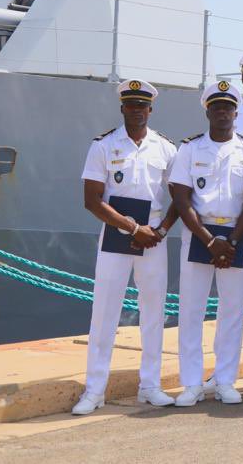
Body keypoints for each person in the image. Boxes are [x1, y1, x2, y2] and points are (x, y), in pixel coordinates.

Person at [72, 80, 179, 415]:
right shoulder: (103, 146)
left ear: (151, 109)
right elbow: (91, 200)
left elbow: (181, 195)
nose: (136, 111)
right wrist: (134, 227)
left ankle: (150, 386)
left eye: (142, 105)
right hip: (117, 235)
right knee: (104, 313)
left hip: (154, 238)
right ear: (122, 109)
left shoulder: (165, 148)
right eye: (131, 105)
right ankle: (94, 390)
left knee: (153, 312)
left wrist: (160, 230)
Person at [169, 80, 243, 406]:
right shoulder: (190, 150)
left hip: (235, 238)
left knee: (232, 312)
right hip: (198, 236)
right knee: (191, 311)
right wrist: (209, 240)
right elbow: (180, 197)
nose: (222, 112)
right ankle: (191, 383)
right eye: (216, 107)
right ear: (208, 111)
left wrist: (230, 240)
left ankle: (224, 380)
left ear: (236, 112)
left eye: (228, 107)